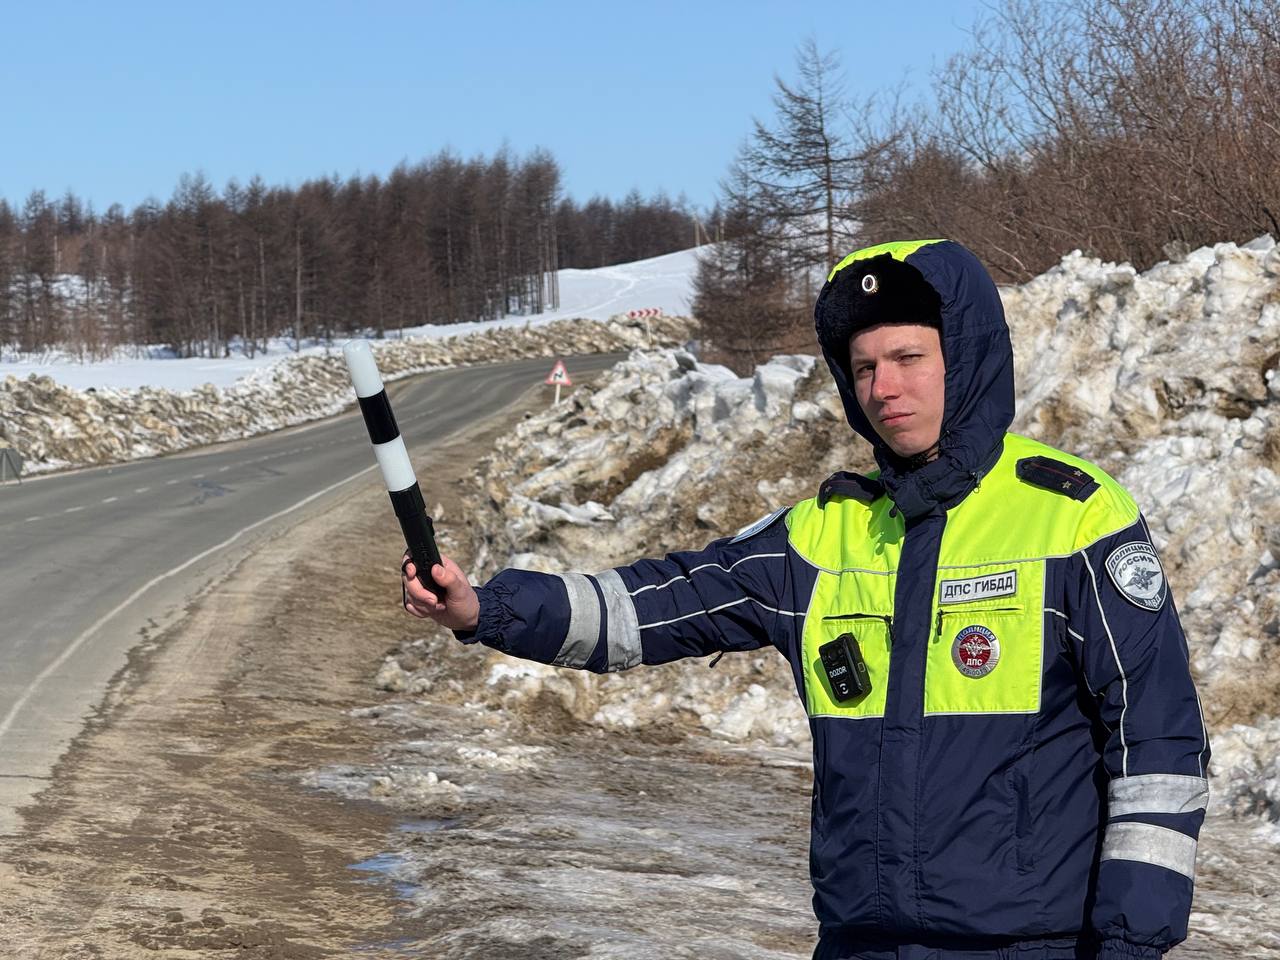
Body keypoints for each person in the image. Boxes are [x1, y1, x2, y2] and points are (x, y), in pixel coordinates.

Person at [402, 238, 1210, 960]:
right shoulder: (822, 535)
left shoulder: (1072, 517)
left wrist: (1131, 941)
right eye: (863, 368)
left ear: (964, 358)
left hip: (1027, 944)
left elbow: (1158, 740)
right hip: (859, 940)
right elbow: (653, 606)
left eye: (908, 357)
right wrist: (486, 610)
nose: (884, 388)